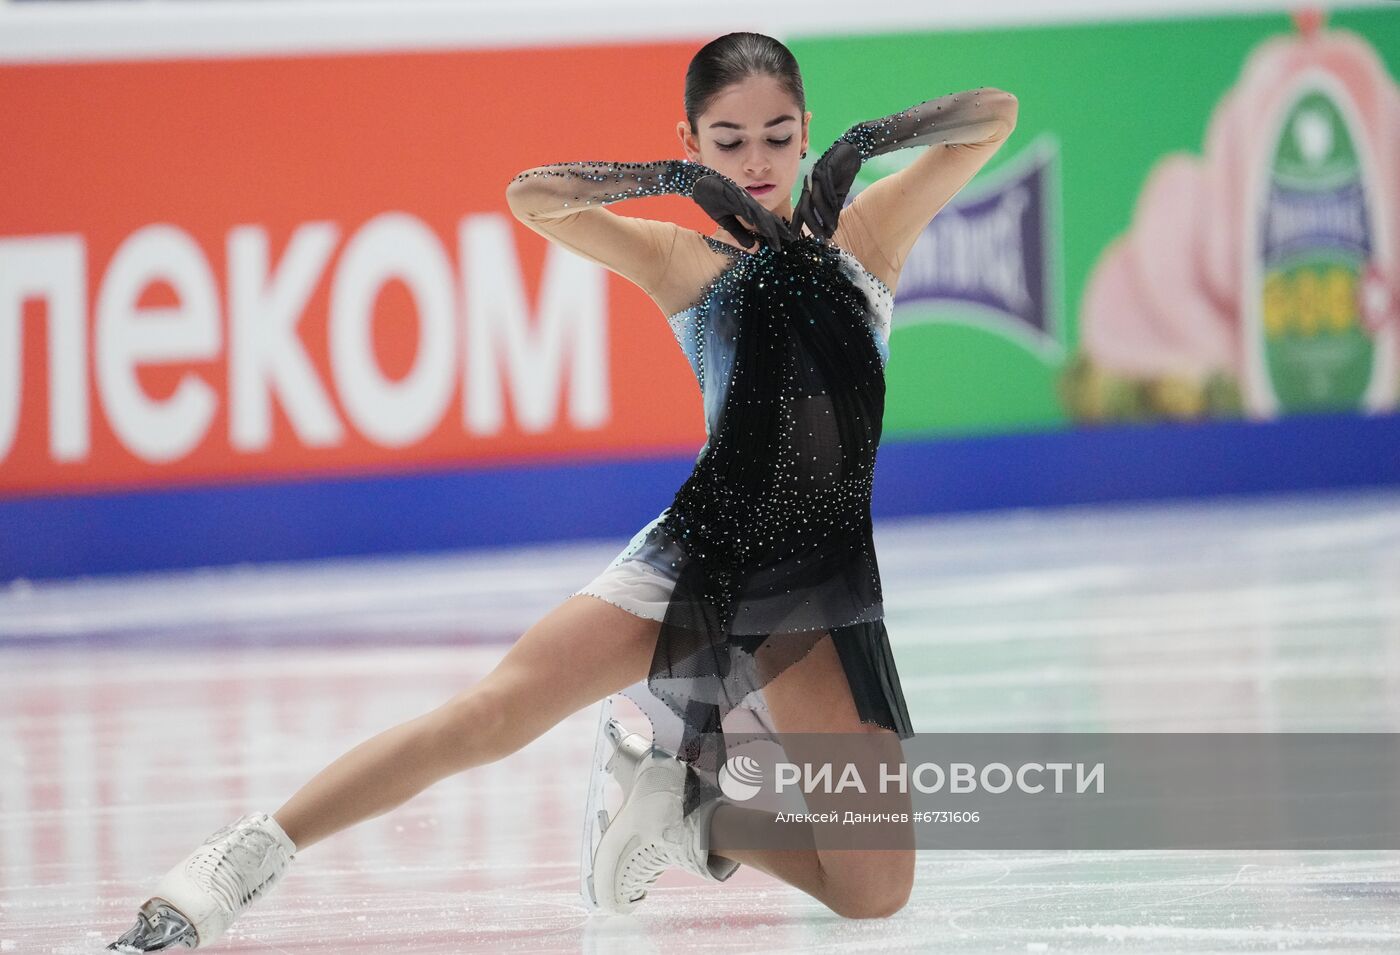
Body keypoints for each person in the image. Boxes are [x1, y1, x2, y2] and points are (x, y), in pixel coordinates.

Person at [106, 31, 1017, 951]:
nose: (757, 161)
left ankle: (687, 814)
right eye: (727, 140)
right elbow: (533, 197)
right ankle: (243, 859)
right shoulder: (686, 263)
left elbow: (992, 118)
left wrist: (865, 144)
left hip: (818, 589)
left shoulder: (866, 235)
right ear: (695, 140)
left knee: (872, 890)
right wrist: (668, 178)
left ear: (804, 131)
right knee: (493, 713)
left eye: (779, 137)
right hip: (700, 558)